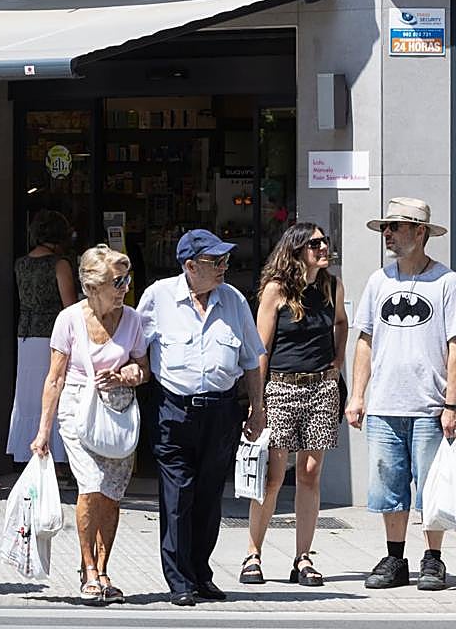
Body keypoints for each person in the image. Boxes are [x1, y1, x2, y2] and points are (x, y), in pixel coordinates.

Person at [136, 229, 266, 607]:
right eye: (216, 261)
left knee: (209, 497)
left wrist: (257, 409)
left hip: (222, 411)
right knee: (178, 495)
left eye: (226, 259)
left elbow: (252, 359)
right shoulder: (158, 297)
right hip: (173, 410)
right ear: (190, 266)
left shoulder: (234, 300)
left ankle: (200, 573)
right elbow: (136, 349)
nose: (225, 266)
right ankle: (179, 580)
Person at [346, 197, 456, 591]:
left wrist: (452, 402)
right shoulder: (379, 280)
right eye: (385, 227)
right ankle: (395, 558)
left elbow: (455, 345)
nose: (387, 234)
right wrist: (357, 395)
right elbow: (365, 340)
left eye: (395, 227)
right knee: (388, 489)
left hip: (430, 404)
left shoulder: (446, 281)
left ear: (420, 231)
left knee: (431, 488)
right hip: (384, 404)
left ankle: (433, 559)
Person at [31, 244, 148, 604]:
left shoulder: (133, 319)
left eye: (126, 279)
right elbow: (55, 378)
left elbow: (144, 369)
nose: (125, 287)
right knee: (91, 484)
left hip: (118, 411)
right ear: (93, 287)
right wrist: (43, 431)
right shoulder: (69, 319)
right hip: (77, 407)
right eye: (118, 281)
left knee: (112, 494)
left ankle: (104, 567)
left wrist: (130, 374)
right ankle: (89, 568)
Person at [242, 223, 347, 587]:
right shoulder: (276, 290)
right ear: (297, 249)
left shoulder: (332, 286)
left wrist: (338, 359)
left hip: (321, 388)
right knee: (272, 476)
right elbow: (261, 349)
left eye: (324, 241)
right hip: (281, 387)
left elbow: (342, 322)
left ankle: (303, 557)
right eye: (315, 243)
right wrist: (256, 403)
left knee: (310, 473)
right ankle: (253, 553)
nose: (323, 247)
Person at [8, 209, 79, 464]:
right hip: (52, 335)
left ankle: (27, 450)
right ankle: (56, 456)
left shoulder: (21, 263)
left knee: (28, 394)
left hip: (26, 334)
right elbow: (69, 306)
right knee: (54, 390)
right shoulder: (59, 264)